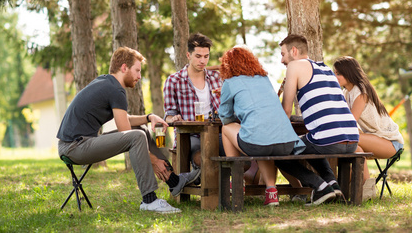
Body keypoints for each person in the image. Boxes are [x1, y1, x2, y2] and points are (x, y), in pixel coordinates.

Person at [57, 47, 199, 214]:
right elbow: (127, 133)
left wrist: (149, 117)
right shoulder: (115, 90)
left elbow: (125, 121)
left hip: (76, 144)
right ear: (124, 68)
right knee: (137, 135)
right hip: (75, 147)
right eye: (137, 70)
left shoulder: (106, 83)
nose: (139, 76)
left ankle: (174, 182)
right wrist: (154, 160)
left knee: (140, 130)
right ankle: (149, 200)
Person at [276, 34, 360, 205]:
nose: (282, 60)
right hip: (352, 139)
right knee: (311, 143)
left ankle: (319, 187)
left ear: (294, 51)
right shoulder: (326, 68)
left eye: (283, 54)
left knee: (278, 152)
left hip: (330, 139)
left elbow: (286, 109)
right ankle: (332, 184)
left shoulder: (295, 66)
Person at [218, 46, 306, 206]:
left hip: (258, 143)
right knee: (264, 141)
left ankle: (236, 180)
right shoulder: (263, 79)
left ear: (227, 65)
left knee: (226, 129)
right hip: (286, 143)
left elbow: (225, 117)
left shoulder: (229, 82)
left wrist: (236, 112)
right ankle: (271, 192)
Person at [333, 56, 404, 197]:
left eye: (338, 73)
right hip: (373, 139)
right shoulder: (346, 92)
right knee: (355, 147)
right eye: (334, 73)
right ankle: (360, 190)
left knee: (351, 139)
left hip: (391, 142)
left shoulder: (361, 92)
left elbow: (349, 122)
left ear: (348, 73)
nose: (335, 76)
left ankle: (365, 188)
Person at [163, 33, 223, 169]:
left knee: (239, 157)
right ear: (188, 55)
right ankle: (198, 179)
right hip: (190, 135)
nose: (202, 61)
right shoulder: (173, 81)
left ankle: (213, 184)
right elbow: (169, 115)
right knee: (201, 157)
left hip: (217, 132)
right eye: (198, 56)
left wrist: (219, 67)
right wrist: (174, 118)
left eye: (206, 56)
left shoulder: (217, 78)